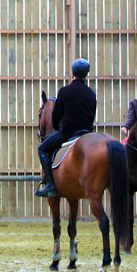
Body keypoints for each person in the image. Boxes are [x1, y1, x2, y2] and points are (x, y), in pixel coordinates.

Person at [35, 58, 97, 197]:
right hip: (87, 134)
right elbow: (92, 116)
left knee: (42, 149)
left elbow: (56, 117)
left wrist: (59, 127)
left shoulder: (64, 91)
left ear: (73, 73)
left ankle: (50, 184)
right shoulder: (91, 94)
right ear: (86, 74)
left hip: (68, 132)